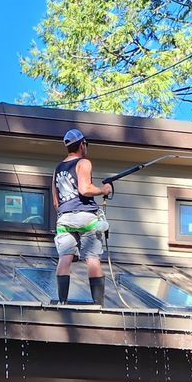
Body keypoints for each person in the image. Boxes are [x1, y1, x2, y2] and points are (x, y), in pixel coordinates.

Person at [51, 128, 114, 305]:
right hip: (85, 216)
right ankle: (98, 305)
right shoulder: (83, 163)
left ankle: (62, 301)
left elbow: (56, 202)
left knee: (65, 257)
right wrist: (104, 189)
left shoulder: (57, 169)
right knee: (92, 257)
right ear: (82, 145)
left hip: (64, 218)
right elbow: (85, 189)